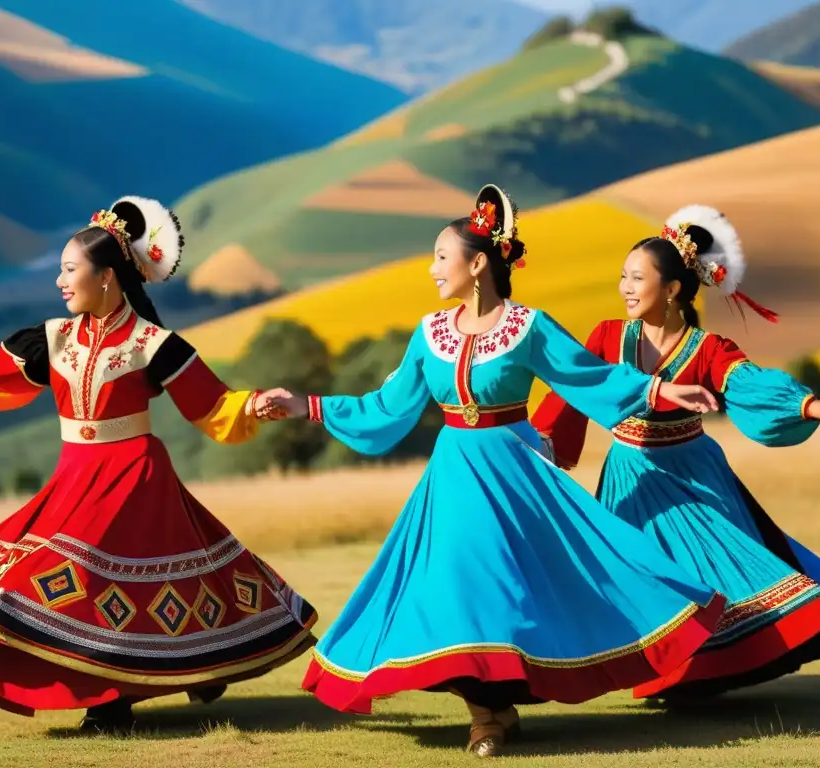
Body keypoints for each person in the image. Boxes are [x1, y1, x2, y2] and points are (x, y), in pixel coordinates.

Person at [259, 185, 730, 758]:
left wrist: (660, 387)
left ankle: (501, 706)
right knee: (452, 591)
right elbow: (386, 408)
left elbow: (588, 376)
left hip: (517, 476)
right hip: (453, 479)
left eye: (440, 256)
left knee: (515, 595)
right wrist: (305, 406)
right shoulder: (430, 333)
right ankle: (486, 714)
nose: (432, 269)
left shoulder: (529, 327)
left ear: (478, 262)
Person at [0, 197, 317, 733]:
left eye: (70, 270)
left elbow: (210, 404)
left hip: (134, 477)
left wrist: (253, 404)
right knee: (33, 578)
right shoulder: (52, 339)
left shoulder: (153, 344)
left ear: (108, 277)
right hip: (74, 474)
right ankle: (169, 670)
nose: (60, 283)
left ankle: (111, 703)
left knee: (93, 583)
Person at [530, 204, 820, 702]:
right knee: (647, 576)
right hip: (630, 477)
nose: (625, 287)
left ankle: (703, 673)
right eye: (623, 276)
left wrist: (808, 404)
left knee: (719, 574)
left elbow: (749, 386)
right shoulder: (608, 338)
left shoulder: (708, 349)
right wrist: (534, 445)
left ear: (674, 289)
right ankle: (667, 676)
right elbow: (574, 389)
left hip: (695, 477)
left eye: (637, 278)